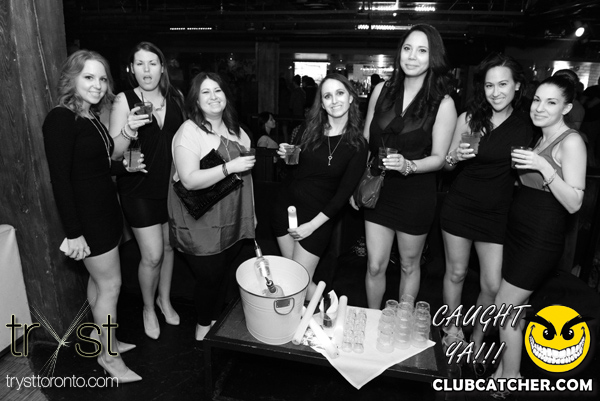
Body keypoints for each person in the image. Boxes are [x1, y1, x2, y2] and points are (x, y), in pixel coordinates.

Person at [43, 50, 143, 383]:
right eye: (88, 77)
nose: (97, 85)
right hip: (89, 219)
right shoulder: (60, 119)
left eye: (102, 78)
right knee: (110, 287)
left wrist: (124, 166)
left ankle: (105, 340)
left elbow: (96, 165)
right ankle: (109, 358)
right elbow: (61, 180)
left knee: (99, 286)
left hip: (105, 212)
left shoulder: (88, 115)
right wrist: (74, 233)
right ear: (71, 79)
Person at [491, 74, 586, 397]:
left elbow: (574, 202)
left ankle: (510, 377)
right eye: (537, 100)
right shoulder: (539, 139)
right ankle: (506, 368)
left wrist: (543, 167)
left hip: (541, 239)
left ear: (566, 108)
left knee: (504, 306)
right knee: (515, 309)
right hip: (518, 233)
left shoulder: (570, 142)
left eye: (551, 102)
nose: (540, 108)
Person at [354, 24, 457, 309]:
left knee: (409, 265)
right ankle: (373, 320)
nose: (412, 56)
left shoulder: (443, 103)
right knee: (375, 265)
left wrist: (408, 165)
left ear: (433, 57)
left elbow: (439, 158)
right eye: (407, 48)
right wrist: (355, 185)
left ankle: (402, 323)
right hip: (378, 189)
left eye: (422, 50)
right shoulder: (381, 90)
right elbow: (365, 141)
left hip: (415, 194)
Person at [439, 53, 532, 365]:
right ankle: (453, 331)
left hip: (496, 213)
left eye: (503, 84)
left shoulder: (526, 126)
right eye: (490, 85)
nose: (495, 92)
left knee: (492, 285)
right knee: (456, 272)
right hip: (460, 205)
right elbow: (446, 164)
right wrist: (455, 157)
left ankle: (477, 337)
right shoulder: (470, 118)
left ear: (517, 86)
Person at [167, 72, 256, 341]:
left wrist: (252, 214)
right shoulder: (189, 131)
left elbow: (247, 179)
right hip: (200, 219)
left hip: (232, 215)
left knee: (223, 272)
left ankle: (217, 320)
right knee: (209, 276)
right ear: (195, 100)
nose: (213, 97)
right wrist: (229, 167)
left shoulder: (237, 131)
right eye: (205, 92)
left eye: (218, 90)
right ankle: (203, 326)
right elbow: (189, 180)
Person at [109, 42, 185, 340]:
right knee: (152, 255)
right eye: (139, 64)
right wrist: (128, 129)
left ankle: (164, 300)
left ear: (162, 67)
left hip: (171, 187)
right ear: (132, 69)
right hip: (138, 188)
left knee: (168, 248)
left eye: (152, 63)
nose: (146, 70)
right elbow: (115, 153)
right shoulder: (123, 100)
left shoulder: (175, 97)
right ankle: (148, 308)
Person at [272, 73, 368, 300]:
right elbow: (295, 170)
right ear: (322, 104)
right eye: (327, 96)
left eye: (340, 93)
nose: (334, 100)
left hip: (317, 219)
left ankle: (330, 310)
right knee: (292, 279)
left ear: (351, 98)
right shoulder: (309, 130)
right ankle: (310, 317)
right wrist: (286, 156)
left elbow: (342, 196)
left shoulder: (358, 145)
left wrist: (311, 226)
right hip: (284, 208)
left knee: (300, 283)